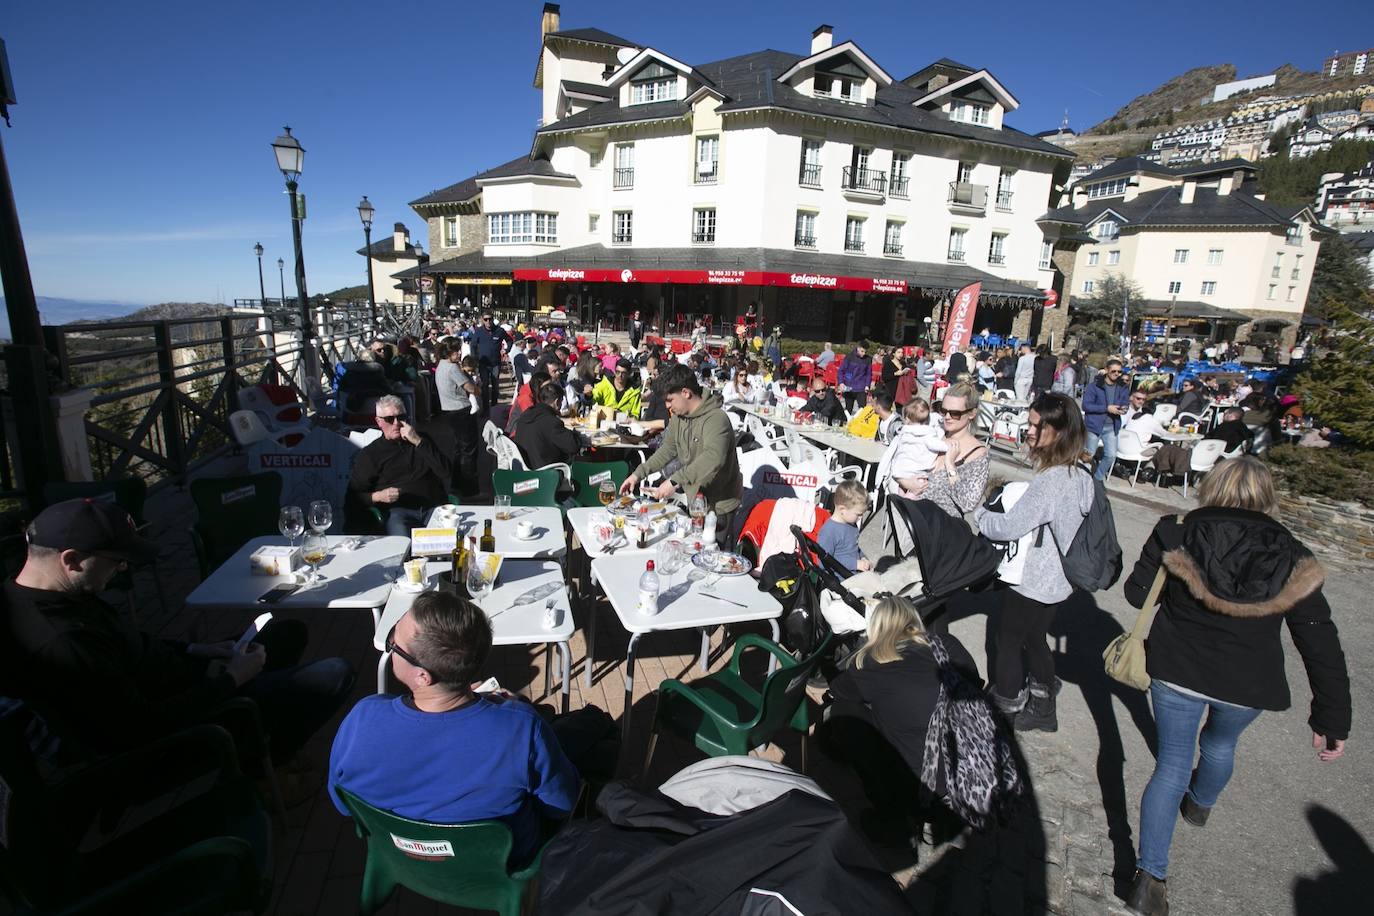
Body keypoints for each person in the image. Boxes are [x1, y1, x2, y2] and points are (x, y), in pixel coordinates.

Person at [1120, 458, 1351, 916]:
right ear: (1267, 496)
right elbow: (1318, 638)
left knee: (1171, 765)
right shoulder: (1292, 553)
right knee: (1220, 744)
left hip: (1178, 668)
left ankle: (1149, 879)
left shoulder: (1176, 531)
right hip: (1248, 681)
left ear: (1212, 486)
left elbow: (1136, 594)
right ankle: (1199, 804)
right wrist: (1333, 717)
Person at [4, 498, 354, 768]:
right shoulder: (60, 642)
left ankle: (265, 725)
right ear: (71, 560)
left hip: (186, 677)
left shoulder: (55, 592)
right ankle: (261, 764)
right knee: (336, 674)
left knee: (288, 632)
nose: (123, 568)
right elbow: (141, 727)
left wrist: (198, 650)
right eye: (116, 561)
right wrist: (231, 680)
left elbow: (131, 644)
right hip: (185, 727)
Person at [330, 592, 583, 867]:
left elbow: (342, 803)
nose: (390, 646)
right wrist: (515, 710)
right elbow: (562, 803)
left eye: (393, 643)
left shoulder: (363, 718)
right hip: (500, 864)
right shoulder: (522, 728)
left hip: (397, 853)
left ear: (423, 676)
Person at [975, 392, 1094, 731]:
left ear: (1056, 431)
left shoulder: (1052, 480)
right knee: (1035, 637)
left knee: (1008, 641)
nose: (1027, 430)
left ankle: (1005, 708)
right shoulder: (1081, 472)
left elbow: (1009, 527)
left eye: (1034, 425)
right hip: (1060, 577)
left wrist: (981, 514)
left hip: (1035, 577)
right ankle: (1043, 707)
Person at [824, 596, 980, 839]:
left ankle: (893, 817)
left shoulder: (869, 662)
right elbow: (974, 684)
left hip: (920, 780)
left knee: (843, 712)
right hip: (968, 766)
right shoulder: (946, 643)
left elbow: (837, 690)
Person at [621, 363, 742, 538]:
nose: (667, 406)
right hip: (696, 501)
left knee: (712, 551)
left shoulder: (716, 419)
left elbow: (713, 458)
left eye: (670, 399)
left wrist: (674, 481)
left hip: (719, 506)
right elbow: (668, 450)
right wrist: (638, 474)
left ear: (686, 393)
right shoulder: (679, 417)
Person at [347, 395, 452, 535]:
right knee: (401, 543)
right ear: (379, 421)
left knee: (447, 542)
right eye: (390, 419)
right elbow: (353, 496)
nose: (396, 423)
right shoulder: (371, 454)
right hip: (398, 511)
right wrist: (378, 496)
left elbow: (446, 471)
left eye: (401, 417)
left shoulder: (421, 441)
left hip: (432, 506)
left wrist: (418, 441)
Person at [433, 340, 480, 497]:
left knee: (460, 449)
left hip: (449, 411)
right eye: (456, 350)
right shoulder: (452, 367)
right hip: (460, 410)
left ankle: (457, 485)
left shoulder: (441, 365)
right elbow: (469, 387)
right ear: (448, 352)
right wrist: (478, 390)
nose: (459, 353)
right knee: (468, 451)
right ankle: (469, 490)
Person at [880, 399, 953, 499]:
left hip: (901, 470)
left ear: (907, 419)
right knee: (916, 491)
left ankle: (901, 498)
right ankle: (907, 500)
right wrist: (948, 445)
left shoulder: (904, 432)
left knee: (900, 490)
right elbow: (936, 445)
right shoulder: (927, 433)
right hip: (916, 472)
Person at [511, 381, 583, 471]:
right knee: (583, 460)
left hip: (525, 468)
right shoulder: (551, 422)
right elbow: (573, 446)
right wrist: (576, 433)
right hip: (546, 471)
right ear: (557, 402)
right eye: (561, 402)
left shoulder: (526, 415)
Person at [1083, 358, 1131, 482]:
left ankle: (1097, 479)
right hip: (1094, 425)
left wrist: (1124, 408)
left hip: (1112, 426)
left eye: (1119, 372)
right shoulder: (1094, 386)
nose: (1116, 374)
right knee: (1089, 455)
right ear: (1106, 370)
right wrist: (1106, 408)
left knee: (1111, 455)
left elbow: (1125, 402)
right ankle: (1084, 478)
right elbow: (1086, 406)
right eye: (1113, 371)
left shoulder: (1122, 387)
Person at [816, 481, 873, 574]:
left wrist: (863, 557)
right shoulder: (829, 532)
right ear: (842, 509)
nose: (861, 517)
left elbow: (853, 548)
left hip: (853, 573)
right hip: (840, 578)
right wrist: (855, 564)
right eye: (858, 514)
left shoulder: (851, 524)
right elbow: (824, 562)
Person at [469, 313, 509, 412]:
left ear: (492, 319)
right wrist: (474, 359)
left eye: (490, 319)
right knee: (485, 386)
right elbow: (473, 345)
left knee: (495, 385)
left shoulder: (499, 330)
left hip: (495, 363)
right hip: (483, 363)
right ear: (482, 320)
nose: (488, 321)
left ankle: (494, 408)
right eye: (485, 319)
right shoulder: (479, 331)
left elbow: (510, 340)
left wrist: (506, 350)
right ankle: (486, 409)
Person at [837, 342, 873, 414]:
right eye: (862, 351)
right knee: (848, 409)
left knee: (862, 410)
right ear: (858, 348)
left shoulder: (868, 359)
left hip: (861, 387)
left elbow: (868, 374)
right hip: (849, 386)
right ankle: (847, 420)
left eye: (865, 352)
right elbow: (841, 370)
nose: (863, 354)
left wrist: (867, 385)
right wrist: (841, 382)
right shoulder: (849, 357)